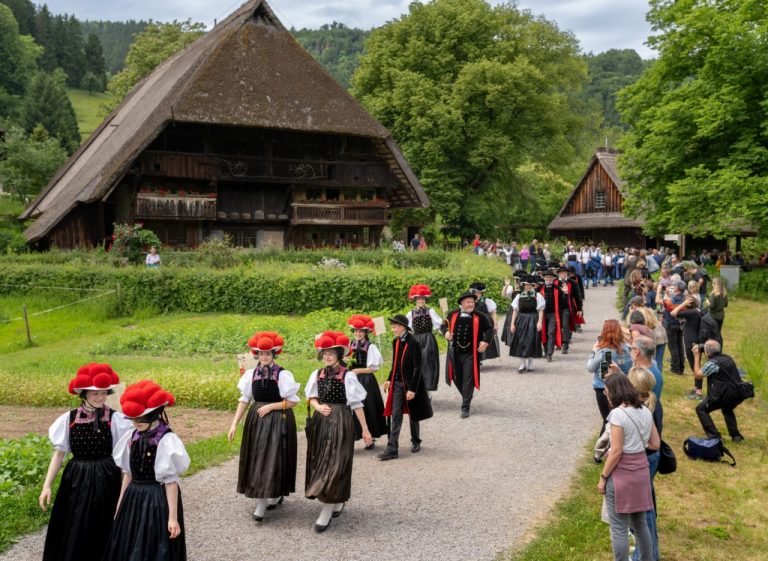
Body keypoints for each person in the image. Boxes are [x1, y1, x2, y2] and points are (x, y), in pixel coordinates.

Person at [40, 364, 130, 561]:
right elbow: (59, 454)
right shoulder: (69, 419)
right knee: (75, 523)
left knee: (105, 521)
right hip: (77, 478)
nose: (100, 397)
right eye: (95, 393)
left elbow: (124, 456)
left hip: (106, 477)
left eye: (103, 393)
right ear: (84, 394)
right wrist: (46, 485)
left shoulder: (115, 418)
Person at [105, 380, 190, 561]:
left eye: (142, 418)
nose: (137, 423)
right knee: (128, 543)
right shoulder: (132, 436)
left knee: (154, 546)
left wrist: (172, 517)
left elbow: (170, 482)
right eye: (134, 419)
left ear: (155, 414)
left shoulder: (165, 439)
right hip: (133, 497)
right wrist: (120, 504)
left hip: (156, 499)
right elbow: (127, 473)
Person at [228, 331, 300, 521]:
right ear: (257, 354)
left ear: (274, 354)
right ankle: (263, 499)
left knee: (274, 458)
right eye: (261, 354)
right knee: (258, 458)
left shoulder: (283, 374)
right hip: (257, 421)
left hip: (278, 420)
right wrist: (234, 423)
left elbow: (293, 402)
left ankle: (272, 495)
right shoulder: (251, 374)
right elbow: (244, 400)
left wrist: (271, 407)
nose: (264, 357)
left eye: (268, 354)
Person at [305, 332, 372, 532]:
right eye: (325, 353)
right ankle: (335, 499)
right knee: (322, 461)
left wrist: (365, 430)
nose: (327, 356)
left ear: (339, 355)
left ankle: (327, 509)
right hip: (321, 421)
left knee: (337, 463)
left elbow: (357, 404)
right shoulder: (317, 374)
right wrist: (318, 407)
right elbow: (312, 397)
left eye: (331, 353)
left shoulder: (348, 376)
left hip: (341, 421)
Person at [598, 373, 660, 561]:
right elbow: (655, 444)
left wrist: (603, 477)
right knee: (641, 525)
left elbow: (616, 451)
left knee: (618, 527)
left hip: (621, 475)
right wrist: (637, 444)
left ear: (614, 393)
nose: (606, 396)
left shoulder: (618, 414)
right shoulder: (646, 411)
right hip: (641, 472)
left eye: (606, 393)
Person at [379, 314, 434, 460]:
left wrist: (412, 389)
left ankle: (416, 440)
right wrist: (389, 379)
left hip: (410, 384)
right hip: (397, 384)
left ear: (403, 327)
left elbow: (418, 367)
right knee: (395, 414)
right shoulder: (395, 341)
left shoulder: (413, 342)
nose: (393, 330)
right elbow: (395, 363)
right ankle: (392, 449)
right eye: (392, 327)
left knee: (413, 414)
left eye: (394, 327)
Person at [627, 367, 661, 561]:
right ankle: (649, 553)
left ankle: (645, 555)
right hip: (651, 457)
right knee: (646, 508)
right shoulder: (653, 402)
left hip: (645, 457)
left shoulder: (643, 408)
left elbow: (654, 442)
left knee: (643, 512)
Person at [444, 291, 492, 418]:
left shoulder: (479, 316)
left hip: (471, 354)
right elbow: (443, 326)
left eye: (472, 302)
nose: (471, 304)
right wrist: (446, 333)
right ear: (461, 303)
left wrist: (486, 341)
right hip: (454, 353)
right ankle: (467, 395)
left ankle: (465, 406)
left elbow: (489, 328)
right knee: (456, 377)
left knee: (468, 379)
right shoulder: (452, 314)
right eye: (468, 302)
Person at [346, 315, 388, 448]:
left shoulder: (371, 347)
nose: (358, 333)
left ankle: (370, 437)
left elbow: (373, 369)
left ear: (366, 332)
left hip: (366, 380)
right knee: (351, 407)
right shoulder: (350, 345)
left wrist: (357, 371)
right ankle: (353, 435)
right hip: (352, 380)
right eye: (356, 331)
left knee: (368, 407)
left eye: (361, 331)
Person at [692, 340, 745, 442]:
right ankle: (735, 435)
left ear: (707, 352)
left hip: (722, 395)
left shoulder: (712, 363)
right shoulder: (728, 358)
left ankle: (714, 436)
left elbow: (698, 375)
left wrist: (696, 356)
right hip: (736, 394)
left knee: (701, 409)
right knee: (727, 407)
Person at [586, 319, 632, 434]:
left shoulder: (602, 350)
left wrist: (593, 351)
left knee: (607, 421)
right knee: (619, 419)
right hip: (621, 387)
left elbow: (590, 368)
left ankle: (604, 444)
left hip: (602, 388)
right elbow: (630, 369)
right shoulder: (627, 349)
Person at [406, 284, 443, 392]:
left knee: (429, 363)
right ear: (415, 300)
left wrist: (445, 332)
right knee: (417, 363)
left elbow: (439, 324)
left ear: (425, 300)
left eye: (422, 299)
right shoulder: (411, 313)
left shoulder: (430, 311)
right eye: (419, 299)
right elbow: (407, 328)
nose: (421, 301)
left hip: (429, 339)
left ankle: (428, 388)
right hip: (416, 340)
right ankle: (419, 387)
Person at [507, 275, 545, 372]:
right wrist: (512, 324)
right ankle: (522, 363)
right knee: (521, 341)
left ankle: (530, 363)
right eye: (526, 285)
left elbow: (541, 310)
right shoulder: (519, 296)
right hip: (521, 320)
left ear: (533, 285)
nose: (528, 286)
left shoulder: (537, 295)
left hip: (533, 319)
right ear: (523, 285)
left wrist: (540, 322)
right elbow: (515, 310)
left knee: (532, 340)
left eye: (530, 285)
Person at [670, 293, 703, 400]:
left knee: (695, 367)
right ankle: (696, 388)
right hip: (695, 341)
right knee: (695, 366)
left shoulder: (691, 312)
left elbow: (673, 313)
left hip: (691, 343)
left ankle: (699, 392)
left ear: (688, 303)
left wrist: (683, 303)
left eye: (685, 301)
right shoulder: (697, 311)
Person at [470, 282, 500, 361]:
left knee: (484, 340)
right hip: (474, 324)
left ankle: (481, 358)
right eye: (477, 293)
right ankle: (476, 358)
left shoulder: (487, 301)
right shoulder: (470, 302)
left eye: (480, 293)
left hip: (485, 324)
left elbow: (493, 313)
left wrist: (495, 324)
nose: (478, 294)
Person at [660, 282, 685, 375]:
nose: (672, 288)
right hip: (680, 324)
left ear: (677, 289)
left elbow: (659, 301)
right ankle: (681, 367)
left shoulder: (672, 300)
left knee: (673, 347)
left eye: (674, 287)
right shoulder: (684, 299)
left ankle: (675, 368)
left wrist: (659, 291)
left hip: (671, 324)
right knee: (680, 345)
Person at [538, 270, 562, 362]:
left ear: (553, 278)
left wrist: (565, 294)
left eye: (550, 277)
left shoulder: (557, 289)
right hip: (542, 314)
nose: (548, 279)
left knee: (551, 333)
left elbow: (563, 303)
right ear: (544, 278)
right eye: (547, 277)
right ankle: (546, 350)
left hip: (553, 314)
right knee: (543, 333)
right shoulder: (539, 288)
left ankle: (549, 353)